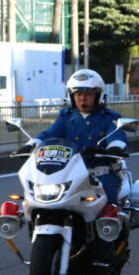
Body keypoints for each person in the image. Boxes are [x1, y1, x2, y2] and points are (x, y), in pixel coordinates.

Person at [15, 69, 128, 205]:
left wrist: (115, 147)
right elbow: (50, 134)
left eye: (88, 94)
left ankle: (112, 223)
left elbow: (117, 133)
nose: (82, 98)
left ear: (98, 96)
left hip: (100, 172)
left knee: (108, 202)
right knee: (39, 199)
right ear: (71, 96)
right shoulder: (66, 117)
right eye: (78, 94)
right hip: (69, 173)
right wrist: (31, 145)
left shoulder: (110, 117)